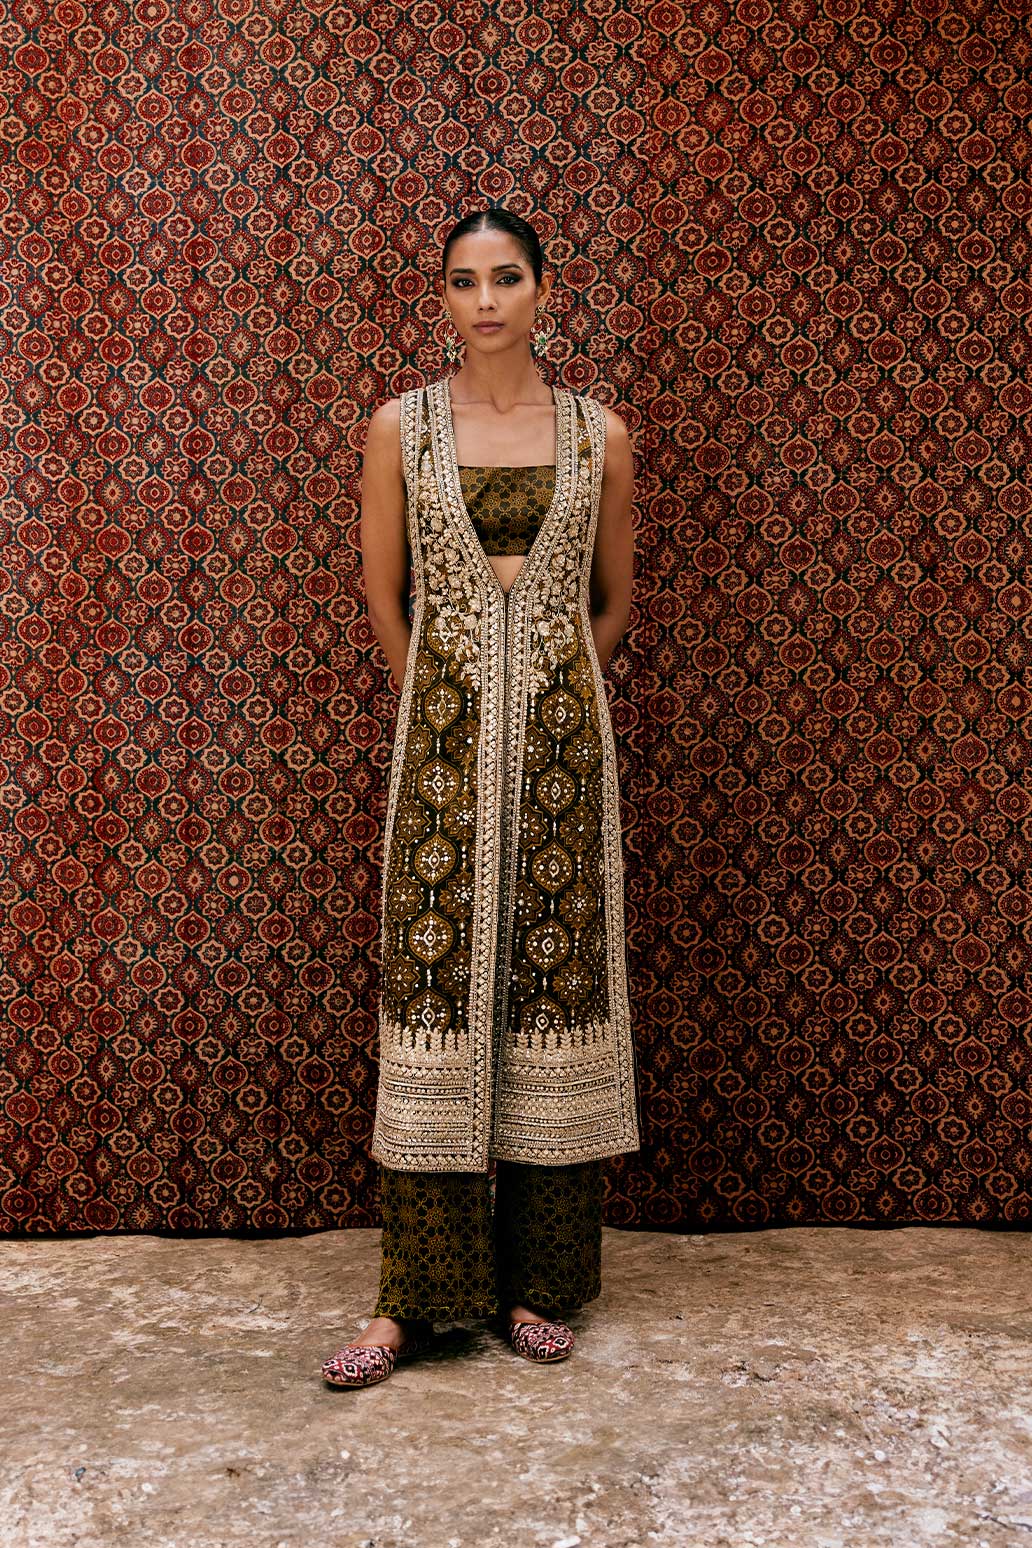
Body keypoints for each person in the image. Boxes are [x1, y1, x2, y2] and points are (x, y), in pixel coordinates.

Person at [322, 208, 641, 1389]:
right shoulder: (399, 429)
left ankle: (538, 1286)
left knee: (552, 982)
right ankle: (415, 1301)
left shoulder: (598, 435)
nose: (488, 300)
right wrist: (446, 699)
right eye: (465, 281)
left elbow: (614, 598)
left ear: (546, 290)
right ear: (445, 299)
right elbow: (383, 591)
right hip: (442, 752)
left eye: (508, 277)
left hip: (563, 754)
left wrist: (550, 687)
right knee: (433, 989)